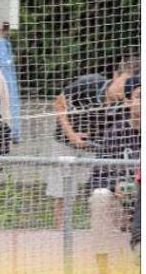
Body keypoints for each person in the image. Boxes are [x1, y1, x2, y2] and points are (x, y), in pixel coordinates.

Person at [48, 56, 139, 230]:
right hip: (66, 143)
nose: (127, 88)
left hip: (95, 148)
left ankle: (94, 232)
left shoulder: (123, 105)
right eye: (125, 81)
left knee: (95, 190)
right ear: (115, 75)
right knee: (64, 193)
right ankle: (60, 233)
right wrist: (72, 134)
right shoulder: (91, 82)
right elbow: (59, 103)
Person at [85, 74, 141, 274]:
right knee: (99, 195)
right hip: (123, 209)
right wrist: (114, 185)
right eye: (140, 97)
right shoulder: (115, 132)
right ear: (128, 101)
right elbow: (94, 179)